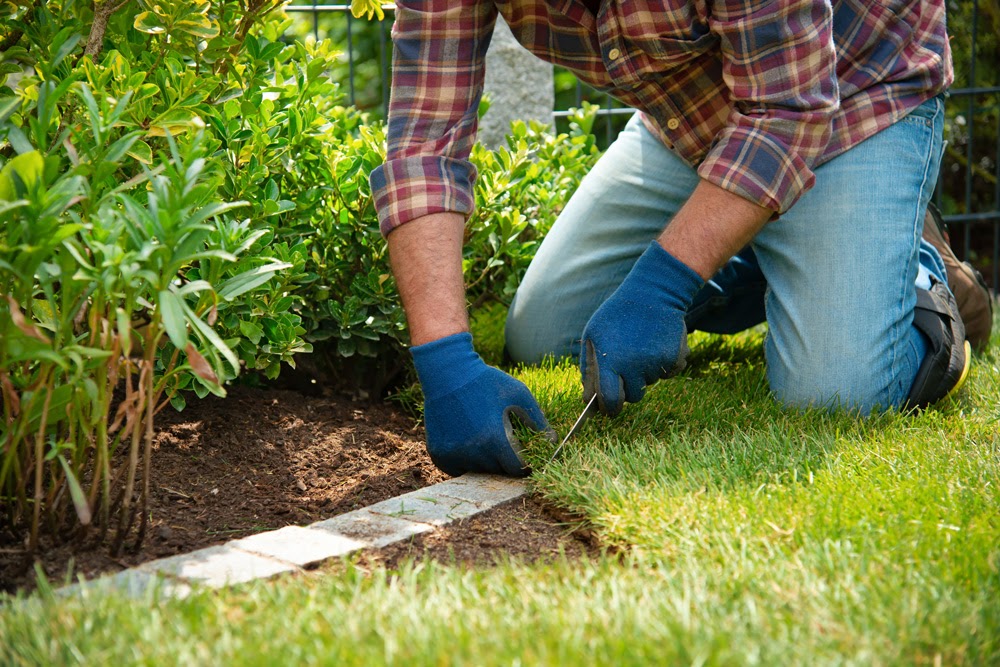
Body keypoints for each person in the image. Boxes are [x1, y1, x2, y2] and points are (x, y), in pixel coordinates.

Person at [370, 0, 993, 478]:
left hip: (854, 95)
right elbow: (423, 144)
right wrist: (443, 363)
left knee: (835, 392)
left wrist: (661, 286)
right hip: (692, 114)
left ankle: (917, 276)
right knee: (545, 336)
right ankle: (778, 245)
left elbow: (788, 111)